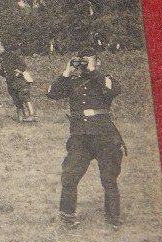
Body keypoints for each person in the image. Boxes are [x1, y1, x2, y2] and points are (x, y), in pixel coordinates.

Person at [46, 47, 125, 229]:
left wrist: (93, 70)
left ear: (98, 63)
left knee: (108, 178)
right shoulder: (73, 81)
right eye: (82, 61)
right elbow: (51, 93)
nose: (84, 65)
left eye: (89, 61)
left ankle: (113, 218)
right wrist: (66, 72)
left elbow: (114, 89)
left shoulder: (104, 80)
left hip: (104, 135)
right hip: (80, 137)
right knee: (69, 176)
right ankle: (67, 216)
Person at [0, 40, 36, 122]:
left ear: (2, 47)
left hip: (19, 81)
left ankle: (32, 115)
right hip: (10, 82)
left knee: (24, 97)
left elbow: (23, 65)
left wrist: (18, 72)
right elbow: (5, 72)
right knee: (16, 100)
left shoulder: (12, 55)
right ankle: (21, 118)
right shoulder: (2, 58)